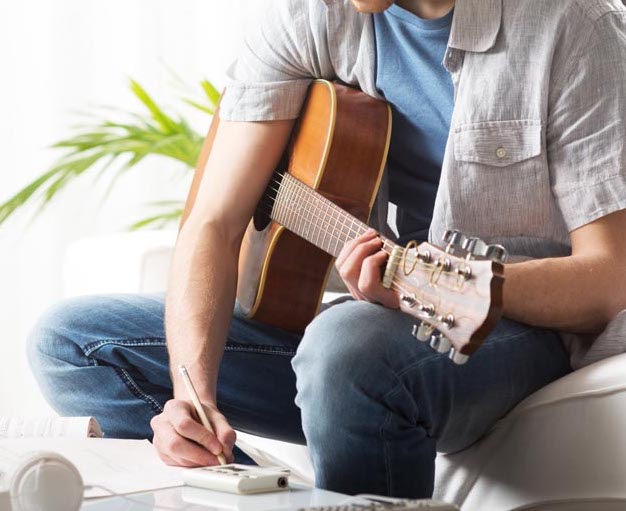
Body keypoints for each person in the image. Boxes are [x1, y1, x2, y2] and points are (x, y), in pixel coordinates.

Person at [28, 0, 626, 499]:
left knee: (346, 349)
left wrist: (440, 285)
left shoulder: (574, 26)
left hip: (523, 329)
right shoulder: (314, 14)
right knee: (75, 342)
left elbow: (608, 279)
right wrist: (193, 397)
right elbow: (213, 220)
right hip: (389, 324)